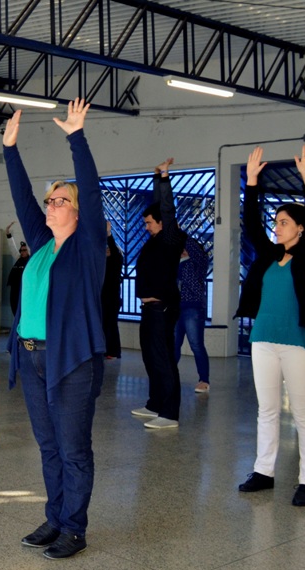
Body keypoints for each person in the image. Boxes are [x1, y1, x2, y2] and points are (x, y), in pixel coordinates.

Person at [3, 98, 106, 560]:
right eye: (51, 200)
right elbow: (23, 200)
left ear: (78, 212)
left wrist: (76, 138)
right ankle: (56, 517)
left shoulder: (88, 246)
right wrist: (10, 150)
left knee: (73, 449)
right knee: (48, 447)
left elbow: (93, 192)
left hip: (71, 361)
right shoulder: (43, 243)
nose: (51, 205)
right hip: (31, 356)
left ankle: (74, 528)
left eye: (61, 200)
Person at [235, 144, 305, 507]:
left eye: (284, 223)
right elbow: (250, 226)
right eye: (276, 222)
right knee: (267, 409)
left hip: (297, 341)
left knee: (303, 413)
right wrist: (250, 183)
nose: (277, 228)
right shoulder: (270, 255)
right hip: (262, 339)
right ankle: (263, 471)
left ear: (301, 228)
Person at [132, 158, 187, 429]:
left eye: (149, 223)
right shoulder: (155, 241)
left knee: (163, 360)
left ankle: (169, 413)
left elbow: (166, 209)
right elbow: (158, 208)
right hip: (149, 310)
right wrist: (155, 179)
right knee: (150, 357)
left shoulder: (170, 239)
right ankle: (155, 403)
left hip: (162, 309)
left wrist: (164, 178)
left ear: (162, 224)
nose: (146, 227)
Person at [175, 237, 210, 392]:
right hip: (177, 307)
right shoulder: (176, 263)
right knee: (174, 344)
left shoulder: (197, 262)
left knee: (196, 344)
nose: (183, 250)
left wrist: (180, 234)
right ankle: (169, 375)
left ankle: (204, 380)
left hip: (193, 308)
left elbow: (194, 249)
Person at [103, 222, 124, 359]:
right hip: (107, 297)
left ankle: (112, 351)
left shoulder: (116, 259)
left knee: (110, 324)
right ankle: (109, 350)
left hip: (111, 298)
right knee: (108, 324)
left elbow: (113, 250)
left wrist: (109, 234)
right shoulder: (106, 262)